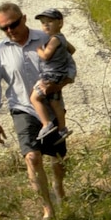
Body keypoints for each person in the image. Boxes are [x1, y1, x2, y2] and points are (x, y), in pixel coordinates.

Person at [0, 0, 67, 220]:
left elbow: (68, 67)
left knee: (57, 158)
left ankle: (58, 186)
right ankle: (48, 210)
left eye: (13, 24)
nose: (10, 31)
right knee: (32, 157)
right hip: (21, 108)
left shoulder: (46, 39)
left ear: (24, 19)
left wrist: (58, 85)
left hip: (51, 107)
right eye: (4, 28)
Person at [28, 8, 77, 153]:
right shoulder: (61, 38)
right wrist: (62, 56)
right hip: (59, 74)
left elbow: (46, 56)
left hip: (50, 75)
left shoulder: (54, 39)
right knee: (54, 102)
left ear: (60, 23)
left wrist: (37, 48)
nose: (46, 25)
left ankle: (46, 124)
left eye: (50, 22)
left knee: (35, 98)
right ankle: (62, 129)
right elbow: (72, 50)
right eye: (43, 23)